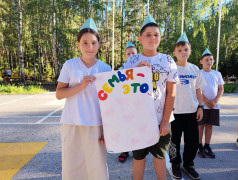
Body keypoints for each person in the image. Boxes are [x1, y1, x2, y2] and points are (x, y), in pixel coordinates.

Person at [120, 14, 178, 180]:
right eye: (148, 34)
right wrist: (134, 72)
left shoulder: (167, 60)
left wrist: (166, 120)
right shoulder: (132, 61)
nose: (153, 38)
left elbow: (171, 92)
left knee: (159, 157)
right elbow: (121, 88)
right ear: (140, 38)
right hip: (137, 120)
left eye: (156, 34)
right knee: (138, 157)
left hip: (160, 120)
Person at [56, 18, 111, 180]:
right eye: (85, 43)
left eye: (94, 43)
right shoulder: (70, 65)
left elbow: (109, 103)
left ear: (99, 45)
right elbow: (59, 94)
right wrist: (81, 85)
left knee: (97, 168)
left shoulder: (105, 68)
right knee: (72, 166)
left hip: (96, 124)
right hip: (72, 122)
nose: (90, 47)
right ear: (78, 44)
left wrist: (108, 130)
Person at [169, 32, 206, 180]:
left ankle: (188, 164)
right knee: (174, 142)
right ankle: (175, 164)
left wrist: (201, 107)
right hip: (175, 112)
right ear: (174, 53)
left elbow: (199, 90)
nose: (183, 52)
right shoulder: (171, 69)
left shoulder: (195, 69)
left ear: (190, 51)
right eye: (180, 50)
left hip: (191, 111)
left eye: (186, 50)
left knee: (192, 141)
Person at [197, 48, 224, 159]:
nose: (209, 62)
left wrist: (215, 101)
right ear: (201, 61)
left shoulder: (217, 74)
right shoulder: (199, 73)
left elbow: (220, 89)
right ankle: (200, 146)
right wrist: (206, 101)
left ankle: (207, 146)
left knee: (209, 126)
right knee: (200, 126)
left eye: (211, 59)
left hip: (214, 105)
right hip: (202, 105)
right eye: (207, 59)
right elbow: (197, 89)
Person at [118, 41, 138, 163]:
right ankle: (124, 150)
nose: (131, 55)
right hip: (125, 102)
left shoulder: (143, 67)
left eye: (133, 53)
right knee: (125, 127)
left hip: (138, 104)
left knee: (137, 127)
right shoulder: (121, 69)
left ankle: (137, 150)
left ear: (137, 54)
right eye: (128, 53)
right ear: (125, 56)